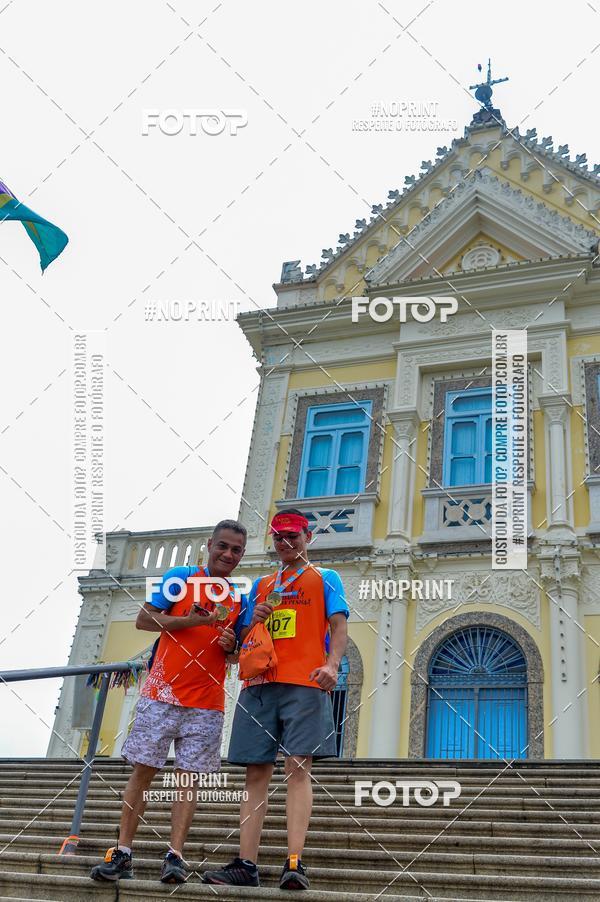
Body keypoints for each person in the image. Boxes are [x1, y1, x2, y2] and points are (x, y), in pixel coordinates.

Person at [90, 519, 248, 885]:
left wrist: (232, 647)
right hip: (162, 694)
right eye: (223, 546)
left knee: (188, 780)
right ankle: (123, 852)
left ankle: (175, 856)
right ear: (210, 544)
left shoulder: (240, 596)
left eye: (236, 550)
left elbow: (236, 653)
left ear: (241, 555)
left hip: (207, 702)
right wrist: (188, 621)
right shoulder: (180, 577)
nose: (228, 554)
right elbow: (144, 620)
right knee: (143, 772)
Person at [202, 508, 349, 890]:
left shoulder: (325, 578)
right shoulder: (261, 585)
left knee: (298, 768)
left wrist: (332, 665)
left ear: (307, 537)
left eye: (293, 536)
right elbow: (241, 641)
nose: (285, 543)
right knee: (255, 773)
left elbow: (339, 626)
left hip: (305, 683)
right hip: (259, 685)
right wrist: (254, 620)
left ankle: (294, 862)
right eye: (279, 537)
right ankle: (246, 864)